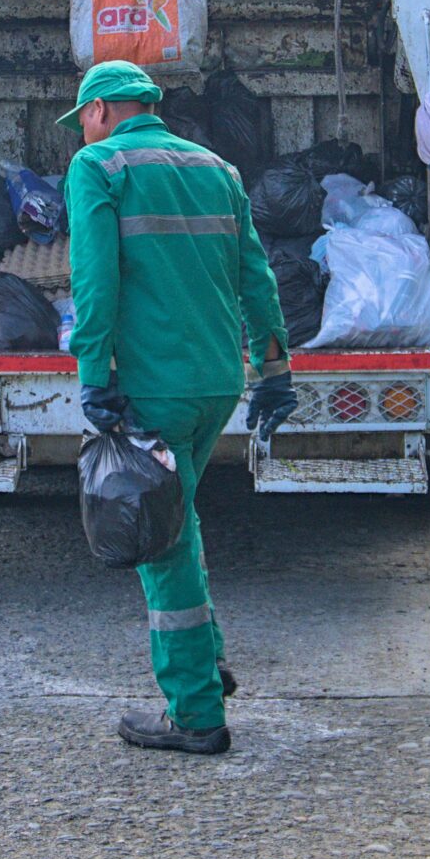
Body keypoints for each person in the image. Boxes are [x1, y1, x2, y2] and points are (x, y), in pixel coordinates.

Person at [62, 60, 293, 756]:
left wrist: (93, 369)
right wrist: (275, 370)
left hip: (151, 384)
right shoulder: (217, 170)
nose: (80, 131)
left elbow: (94, 279)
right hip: (218, 379)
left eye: (81, 119)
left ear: (100, 110)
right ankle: (209, 663)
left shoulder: (99, 169)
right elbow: (256, 274)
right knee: (177, 514)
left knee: (156, 542)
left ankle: (194, 712)